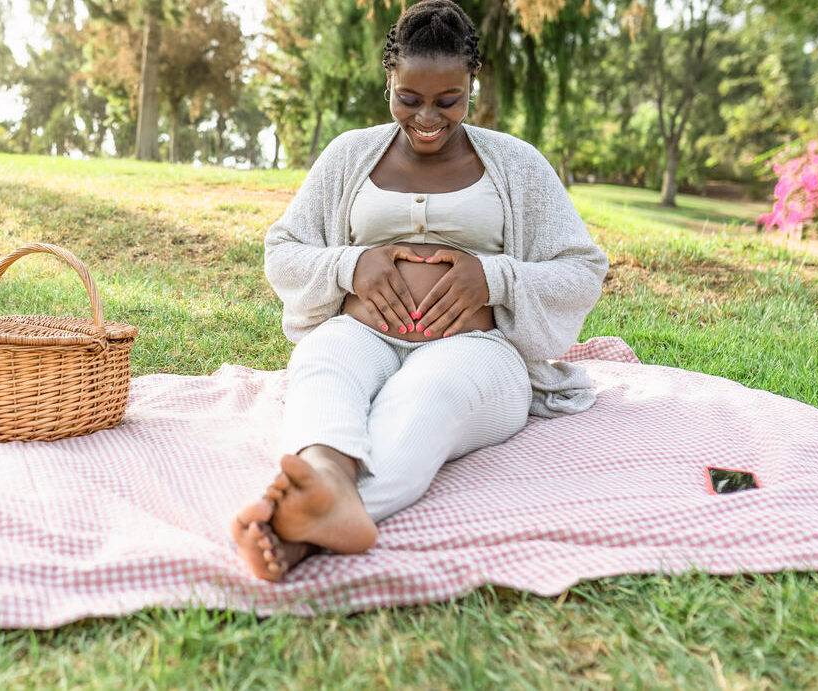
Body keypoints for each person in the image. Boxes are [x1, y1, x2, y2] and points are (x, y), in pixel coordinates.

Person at [230, 0, 608, 581]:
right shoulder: (349, 155)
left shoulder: (517, 163)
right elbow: (283, 249)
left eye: (447, 100)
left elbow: (582, 267)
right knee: (324, 368)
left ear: (471, 86)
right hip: (359, 334)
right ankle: (327, 482)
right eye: (409, 99)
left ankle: (298, 524)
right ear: (389, 83)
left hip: (477, 354)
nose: (427, 116)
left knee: (425, 397)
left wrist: (495, 276)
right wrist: (349, 266)